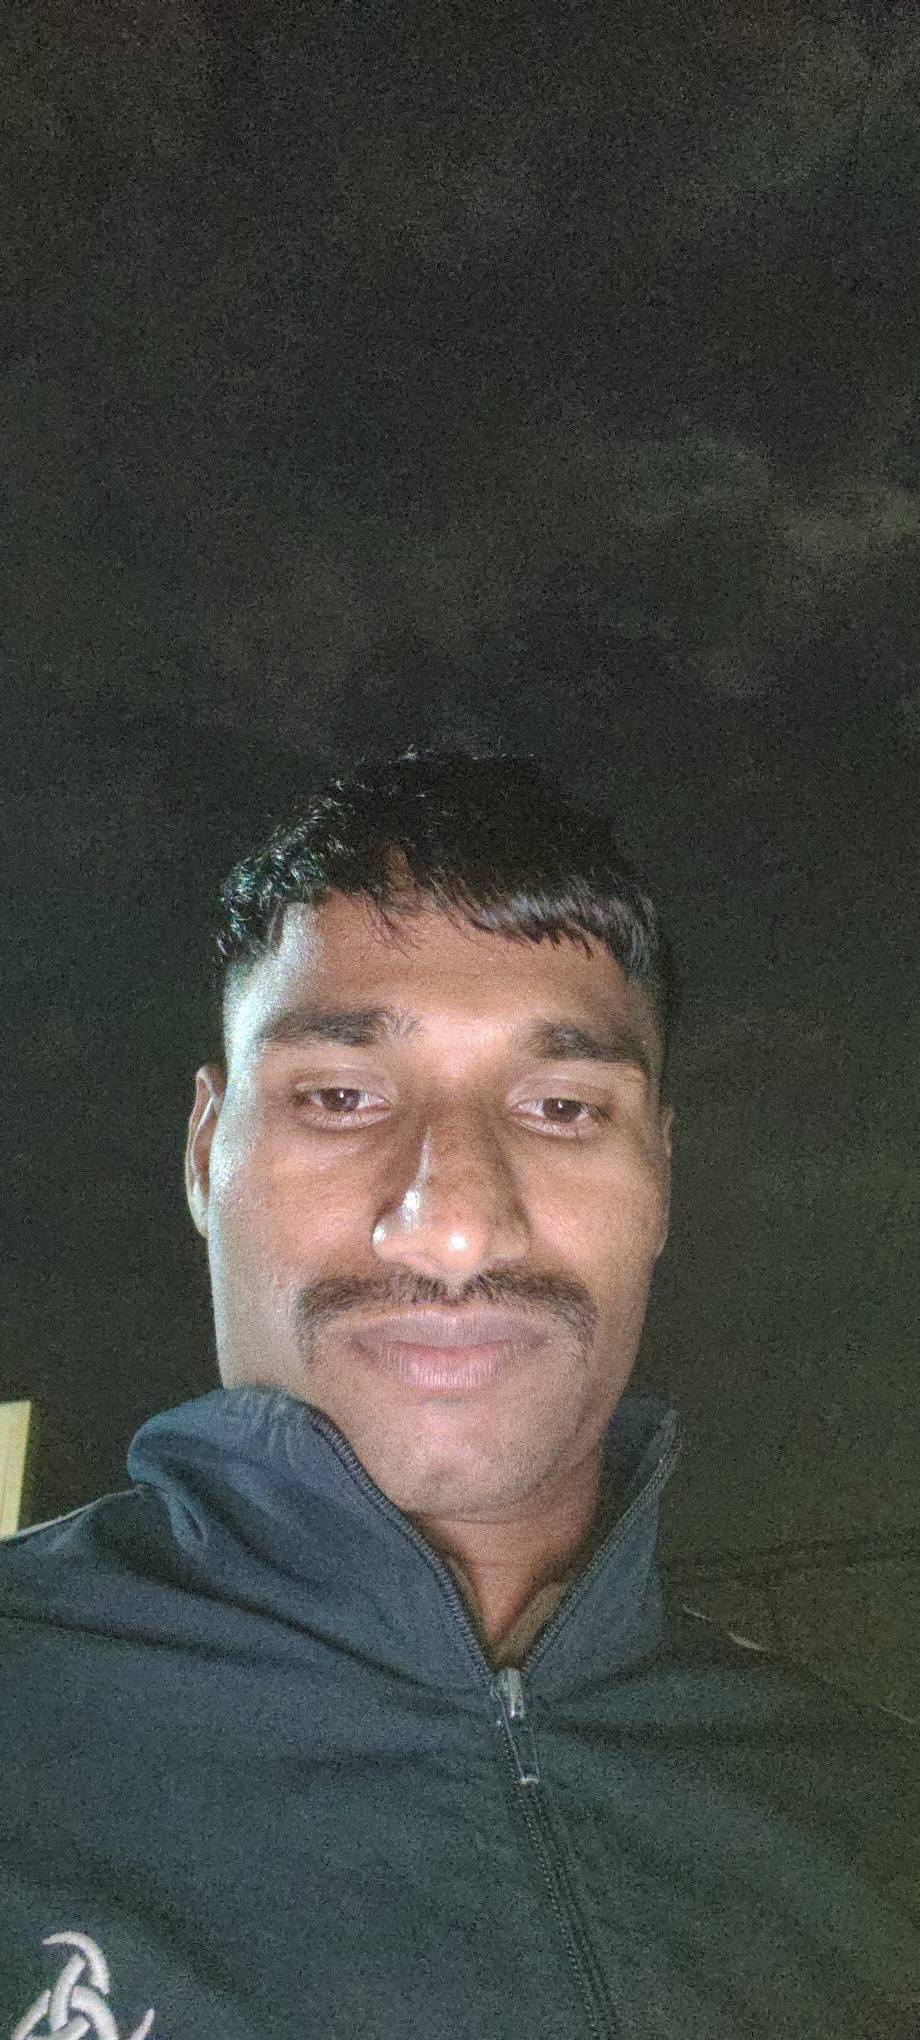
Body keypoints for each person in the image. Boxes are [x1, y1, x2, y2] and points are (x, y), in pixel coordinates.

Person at [2, 744, 918, 2040]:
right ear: (206, 1153)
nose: (453, 1226)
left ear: (661, 1175)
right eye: (339, 1095)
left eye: (561, 1107)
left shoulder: (874, 1823)